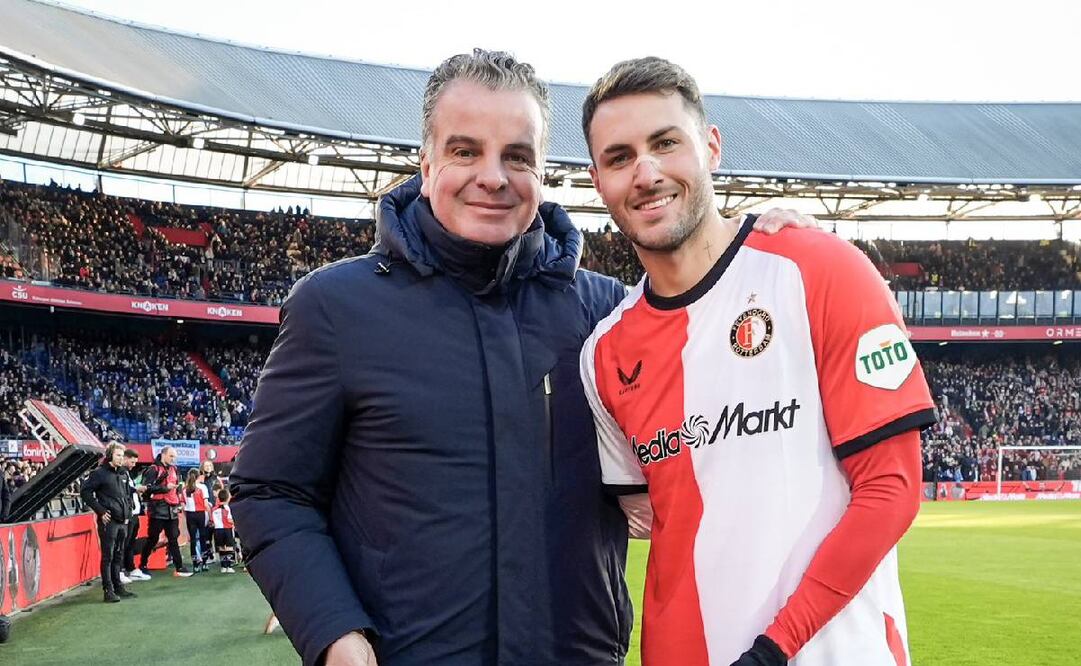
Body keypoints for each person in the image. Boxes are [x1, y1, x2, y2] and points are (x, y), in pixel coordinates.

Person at [231, 49, 810, 666]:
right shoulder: (335, 307)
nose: (493, 175)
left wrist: (762, 262)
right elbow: (270, 490)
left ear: (543, 172)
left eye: (517, 156)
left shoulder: (611, 316)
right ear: (426, 163)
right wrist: (333, 634)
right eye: (464, 151)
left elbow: (735, 430)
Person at [579, 57, 936, 666]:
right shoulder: (605, 352)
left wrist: (775, 648)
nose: (646, 172)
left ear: (711, 146)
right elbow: (647, 513)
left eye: (666, 143)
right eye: (619, 157)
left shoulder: (822, 269)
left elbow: (892, 489)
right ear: (597, 180)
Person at [79, 443, 136, 602]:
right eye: (118, 455)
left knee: (119, 554)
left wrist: (129, 509)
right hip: (109, 521)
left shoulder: (124, 473)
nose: (121, 458)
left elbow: (126, 495)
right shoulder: (99, 473)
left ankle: (118, 586)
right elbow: (85, 492)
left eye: (122, 455)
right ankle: (108, 590)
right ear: (110, 455)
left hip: (123, 520)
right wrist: (100, 511)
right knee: (108, 556)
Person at [137, 446, 193, 578]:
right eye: (171, 456)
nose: (173, 459)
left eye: (174, 456)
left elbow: (176, 487)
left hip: (171, 508)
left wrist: (178, 500)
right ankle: (143, 564)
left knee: (173, 538)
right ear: (163, 455)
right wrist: (164, 488)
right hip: (157, 508)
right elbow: (147, 488)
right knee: (153, 538)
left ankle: (179, 566)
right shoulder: (153, 469)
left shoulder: (174, 469)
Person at [120, 448, 150, 583]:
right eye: (132, 462)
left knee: (130, 543)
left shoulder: (128, 473)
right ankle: (120, 570)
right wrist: (135, 489)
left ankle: (130, 569)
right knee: (124, 544)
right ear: (125, 458)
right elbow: (123, 491)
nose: (133, 465)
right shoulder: (120, 473)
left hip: (135, 513)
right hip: (128, 513)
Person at [182, 469, 212, 572]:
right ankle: (204, 563)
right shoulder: (202, 487)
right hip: (200, 514)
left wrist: (186, 516)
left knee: (193, 540)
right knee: (203, 538)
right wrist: (210, 516)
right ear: (199, 476)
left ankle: (195, 565)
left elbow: (183, 506)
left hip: (190, 515)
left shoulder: (185, 488)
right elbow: (206, 504)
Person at [210, 488, 236, 573]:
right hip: (227, 529)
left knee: (221, 547)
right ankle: (229, 566)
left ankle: (223, 566)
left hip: (217, 530)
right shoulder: (228, 508)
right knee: (229, 547)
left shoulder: (214, 509)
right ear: (227, 498)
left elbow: (212, 520)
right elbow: (229, 520)